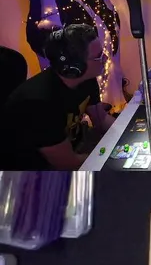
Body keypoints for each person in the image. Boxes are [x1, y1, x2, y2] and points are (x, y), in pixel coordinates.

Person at [0, 24, 113, 169]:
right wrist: (109, 158)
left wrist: (127, 131)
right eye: (98, 57)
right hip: (35, 173)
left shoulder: (86, 79)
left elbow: (101, 119)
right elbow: (68, 163)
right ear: (75, 66)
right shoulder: (38, 104)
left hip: (72, 149)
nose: (105, 59)